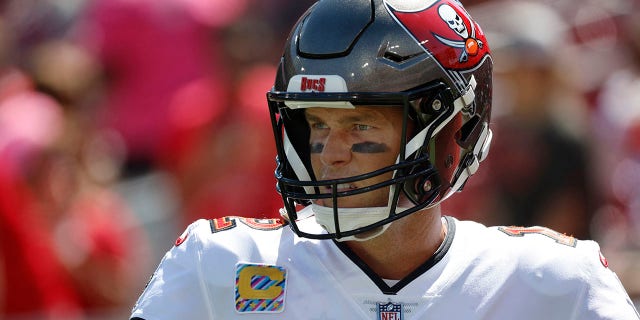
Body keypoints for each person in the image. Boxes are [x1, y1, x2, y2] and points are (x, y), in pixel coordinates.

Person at [129, 0, 640, 319]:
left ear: (450, 132)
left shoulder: (555, 284)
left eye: (361, 125)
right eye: (318, 124)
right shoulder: (218, 265)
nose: (329, 151)